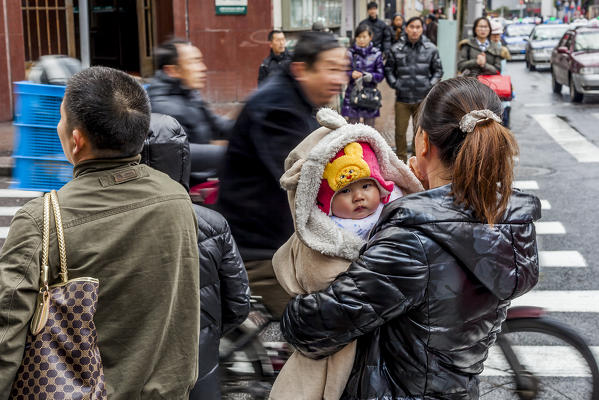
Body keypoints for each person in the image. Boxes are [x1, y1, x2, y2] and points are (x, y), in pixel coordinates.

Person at [280, 76, 541, 399]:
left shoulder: (412, 239)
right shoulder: (509, 222)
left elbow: (313, 326)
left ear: (423, 142)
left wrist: (293, 305)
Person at [0, 67, 201, 398]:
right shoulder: (176, 198)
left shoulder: (41, 220)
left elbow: (7, 333)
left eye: (61, 119)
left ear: (76, 141)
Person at [268, 108, 422, 400]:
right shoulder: (324, 234)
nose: (359, 196)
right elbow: (318, 272)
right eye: (346, 191)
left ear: (383, 187)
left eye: (367, 185)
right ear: (325, 202)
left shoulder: (393, 214)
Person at [218, 32, 348, 318]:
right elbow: (302, 175)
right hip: (261, 248)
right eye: (331, 69)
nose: (340, 79)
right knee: (321, 323)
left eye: (343, 69)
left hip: (281, 233)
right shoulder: (278, 107)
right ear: (302, 69)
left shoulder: (298, 99)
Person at [143, 114, 251, 400]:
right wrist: (207, 333)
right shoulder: (212, 224)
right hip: (199, 368)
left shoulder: (115, 224)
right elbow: (238, 304)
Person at [148, 38, 233, 177]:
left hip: (207, 176)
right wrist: (233, 152)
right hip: (187, 188)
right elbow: (179, 152)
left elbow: (218, 126)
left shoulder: (190, 94)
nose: (203, 68)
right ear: (172, 70)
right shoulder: (162, 106)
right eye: (194, 61)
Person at [385, 16, 443, 162]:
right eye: (412, 27)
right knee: (400, 132)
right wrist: (395, 84)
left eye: (418, 27)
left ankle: (417, 161)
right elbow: (389, 70)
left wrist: (429, 84)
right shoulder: (396, 49)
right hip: (402, 99)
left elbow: (438, 71)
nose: (415, 30)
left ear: (422, 29)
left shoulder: (431, 49)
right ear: (406, 28)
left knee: (421, 132)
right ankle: (401, 161)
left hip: (422, 99)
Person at [341, 24, 384, 127]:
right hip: (353, 94)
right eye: (359, 37)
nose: (361, 40)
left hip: (370, 96)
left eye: (364, 37)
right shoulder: (349, 53)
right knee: (352, 130)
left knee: (369, 130)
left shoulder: (376, 54)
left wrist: (371, 76)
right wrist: (351, 74)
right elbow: (342, 72)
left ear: (370, 37)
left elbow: (381, 75)